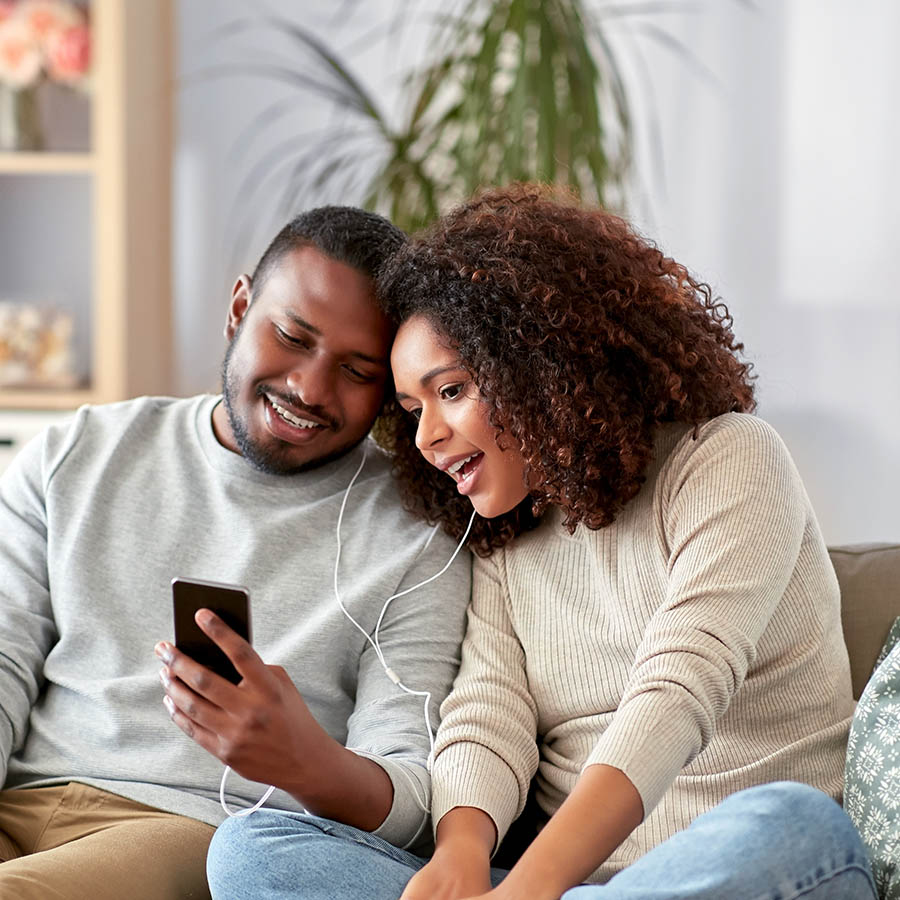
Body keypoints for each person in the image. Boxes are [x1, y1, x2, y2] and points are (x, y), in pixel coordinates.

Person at [206, 184, 876, 900]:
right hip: (558, 888)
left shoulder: (728, 459)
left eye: (451, 391)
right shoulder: (503, 533)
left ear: (539, 364)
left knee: (794, 825)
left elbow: (675, 696)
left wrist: (527, 890)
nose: (427, 436)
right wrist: (461, 853)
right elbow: (486, 715)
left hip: (732, 867)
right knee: (252, 849)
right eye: (411, 408)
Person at [0, 206, 471, 900]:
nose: (309, 389)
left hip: (191, 828)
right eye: (292, 337)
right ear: (240, 308)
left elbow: (414, 801)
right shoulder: (76, 453)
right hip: (23, 799)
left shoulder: (415, 534)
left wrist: (305, 761)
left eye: (356, 370)